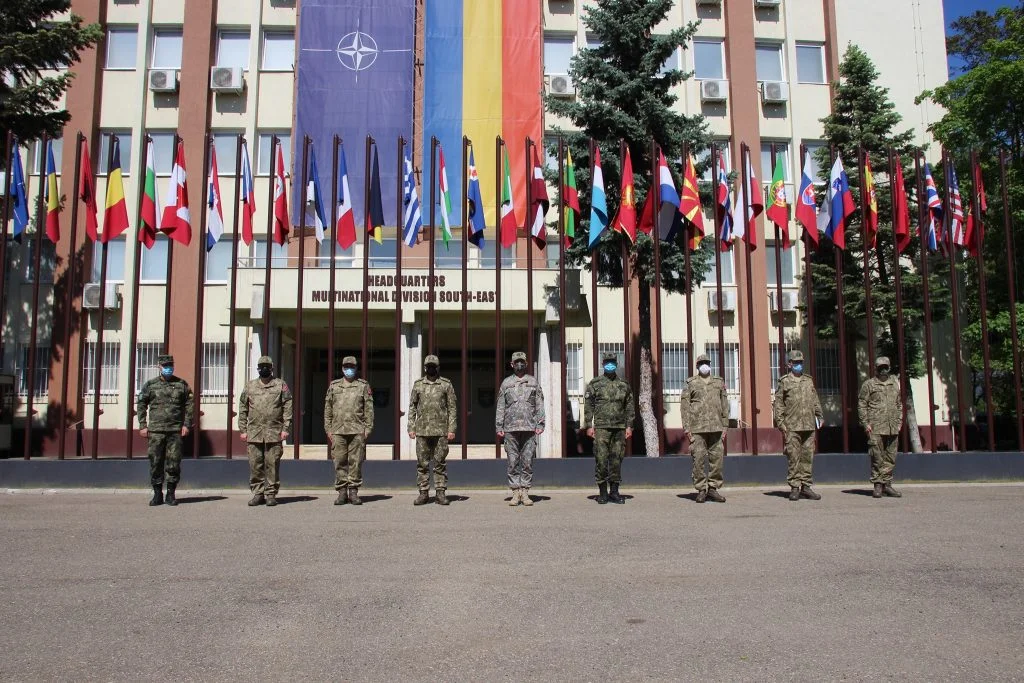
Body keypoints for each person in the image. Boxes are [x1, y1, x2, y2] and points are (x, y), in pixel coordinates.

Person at [136, 354, 194, 506]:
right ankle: (157, 494)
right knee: (155, 462)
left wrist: (186, 425)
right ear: (159, 367)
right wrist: (143, 425)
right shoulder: (150, 385)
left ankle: (170, 494)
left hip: (175, 431)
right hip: (156, 431)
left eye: (170, 365)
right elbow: (141, 404)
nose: (168, 368)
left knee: (173, 463)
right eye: (165, 365)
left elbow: (190, 406)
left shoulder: (181, 385)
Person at [238, 355, 292, 507]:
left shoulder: (280, 385)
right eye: (262, 367)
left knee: (272, 464)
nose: (264, 369)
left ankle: (271, 494)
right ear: (258, 369)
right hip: (254, 432)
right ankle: (258, 494)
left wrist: (286, 428)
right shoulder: (250, 386)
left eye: (267, 367)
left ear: (272, 368)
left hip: (274, 432)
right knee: (255, 464)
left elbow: (287, 406)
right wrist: (243, 429)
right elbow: (243, 407)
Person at [583, 352, 634, 504]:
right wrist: (588, 425)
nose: (609, 365)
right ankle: (603, 492)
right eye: (607, 362)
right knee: (601, 459)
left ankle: (614, 492)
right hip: (601, 428)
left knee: (617, 460)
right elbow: (589, 405)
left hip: (619, 428)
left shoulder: (624, 384)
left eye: (612, 362)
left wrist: (629, 426)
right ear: (603, 364)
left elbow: (629, 406)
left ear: (616, 364)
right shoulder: (595, 383)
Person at [772, 350, 824, 501]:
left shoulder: (808, 380)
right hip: (792, 426)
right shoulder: (784, 381)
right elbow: (779, 404)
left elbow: (815, 400)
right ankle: (794, 487)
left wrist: (819, 415)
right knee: (793, 458)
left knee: (807, 457)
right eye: (796, 362)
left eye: (800, 362)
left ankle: (806, 487)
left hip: (808, 425)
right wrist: (781, 423)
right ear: (789, 364)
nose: (798, 365)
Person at [495, 351, 545, 506]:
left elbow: (539, 404)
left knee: (527, 461)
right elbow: (501, 406)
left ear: (526, 363)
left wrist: (540, 423)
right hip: (510, 429)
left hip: (529, 428)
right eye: (516, 362)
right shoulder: (506, 383)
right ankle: (515, 493)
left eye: (522, 361)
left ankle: (525, 491)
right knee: (512, 461)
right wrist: (499, 425)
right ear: (512, 364)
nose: (519, 364)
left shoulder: (533, 382)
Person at [407, 355, 457, 506]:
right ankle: (423, 493)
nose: (431, 368)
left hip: (441, 431)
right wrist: (411, 427)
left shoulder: (446, 384)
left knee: (439, 463)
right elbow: (412, 407)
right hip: (422, 431)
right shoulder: (418, 385)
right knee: (422, 464)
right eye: (429, 366)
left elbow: (452, 408)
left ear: (438, 368)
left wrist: (452, 429)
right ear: (425, 368)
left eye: (433, 366)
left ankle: (440, 493)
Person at [324, 355, 374, 506]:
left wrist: (368, 428)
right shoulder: (334, 386)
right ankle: (342, 492)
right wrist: (328, 429)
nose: (349, 369)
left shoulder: (363, 386)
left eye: (352, 366)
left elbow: (369, 409)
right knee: (339, 461)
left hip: (357, 430)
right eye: (346, 367)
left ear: (356, 368)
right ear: (342, 368)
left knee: (356, 462)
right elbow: (328, 408)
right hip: (338, 430)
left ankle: (353, 492)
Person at [682, 353, 729, 503]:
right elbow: (685, 407)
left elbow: (725, 405)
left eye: (707, 363)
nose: (704, 365)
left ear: (710, 365)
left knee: (717, 460)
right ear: (697, 366)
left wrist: (725, 426)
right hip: (697, 429)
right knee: (698, 460)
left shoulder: (718, 382)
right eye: (701, 363)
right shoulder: (691, 383)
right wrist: (687, 429)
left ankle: (713, 489)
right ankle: (701, 490)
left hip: (716, 427)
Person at [858, 355, 904, 498]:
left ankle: (887, 485)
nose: (883, 370)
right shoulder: (869, 385)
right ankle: (878, 485)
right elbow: (862, 405)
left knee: (890, 457)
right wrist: (865, 423)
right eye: (880, 367)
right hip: (875, 427)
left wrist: (899, 421)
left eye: (885, 367)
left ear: (889, 367)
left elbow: (899, 404)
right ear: (876, 369)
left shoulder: (894, 384)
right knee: (877, 457)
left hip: (892, 426)